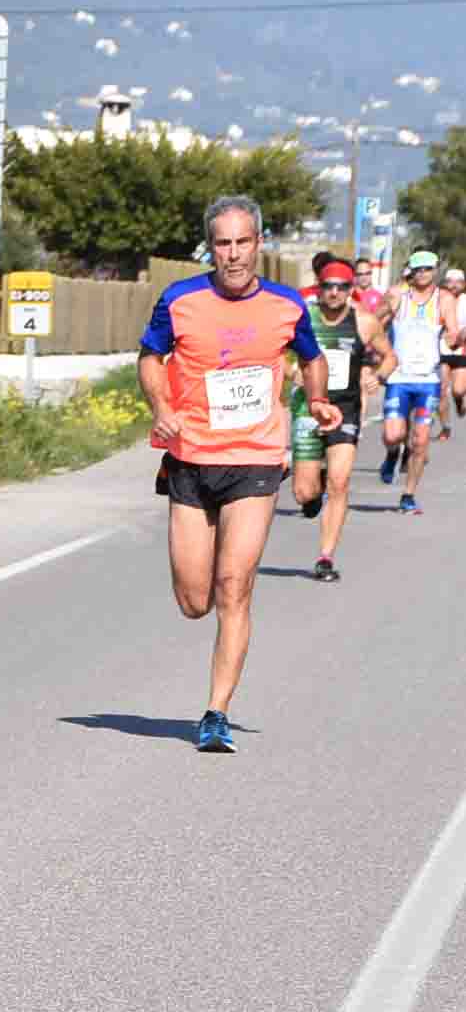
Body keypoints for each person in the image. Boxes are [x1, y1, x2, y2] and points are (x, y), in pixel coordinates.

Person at [138, 195, 335, 753]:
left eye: (242, 242)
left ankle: (216, 713)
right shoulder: (179, 300)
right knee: (194, 600)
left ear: (259, 243)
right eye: (222, 243)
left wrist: (318, 397)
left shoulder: (286, 305)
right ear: (211, 248)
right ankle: (213, 688)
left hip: (255, 459)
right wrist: (161, 406)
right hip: (191, 459)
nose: (233, 254)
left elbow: (311, 356)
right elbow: (150, 357)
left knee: (234, 588)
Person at [285, 259, 395, 582]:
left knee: (340, 481)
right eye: (328, 286)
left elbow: (390, 356)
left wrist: (378, 376)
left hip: (345, 409)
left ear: (350, 290)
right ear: (318, 288)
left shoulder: (364, 321)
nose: (334, 292)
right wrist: (292, 372)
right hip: (308, 408)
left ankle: (325, 557)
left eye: (342, 287)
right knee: (304, 493)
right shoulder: (301, 318)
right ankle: (313, 486)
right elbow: (274, 353)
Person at [375, 249, 462, 514]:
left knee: (421, 440)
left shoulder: (443, 299)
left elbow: (453, 333)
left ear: (435, 270)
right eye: (418, 269)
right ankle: (392, 453)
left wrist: (453, 337)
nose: (423, 273)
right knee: (393, 434)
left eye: (428, 269)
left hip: (427, 380)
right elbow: (373, 322)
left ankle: (408, 494)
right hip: (399, 377)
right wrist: (385, 315)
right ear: (411, 270)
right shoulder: (397, 294)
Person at [442, 267, 466, 423]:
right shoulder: (439, 300)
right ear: (445, 283)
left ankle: (458, 402)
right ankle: (445, 426)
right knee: (441, 389)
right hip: (441, 349)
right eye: (450, 281)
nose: (454, 285)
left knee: (458, 390)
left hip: (462, 349)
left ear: (463, 284)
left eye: (458, 282)